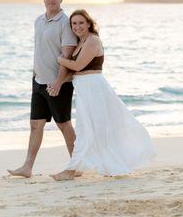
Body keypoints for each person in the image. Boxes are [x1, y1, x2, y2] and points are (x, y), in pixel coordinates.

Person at [50, 9, 156, 181]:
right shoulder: (81, 42)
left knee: (90, 130)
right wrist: (59, 83)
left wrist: (61, 59)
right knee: (90, 130)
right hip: (85, 90)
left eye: (81, 23)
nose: (77, 27)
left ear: (89, 24)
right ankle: (108, 166)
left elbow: (77, 66)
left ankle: (71, 171)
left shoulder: (92, 41)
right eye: (74, 24)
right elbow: (77, 71)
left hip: (94, 90)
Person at [8, 0, 77, 178]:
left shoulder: (65, 22)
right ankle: (27, 167)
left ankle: (77, 164)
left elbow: (67, 56)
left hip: (58, 84)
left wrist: (58, 81)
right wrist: (35, 74)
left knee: (64, 125)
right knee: (35, 124)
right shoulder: (38, 21)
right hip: (38, 82)